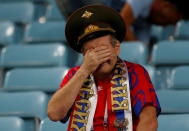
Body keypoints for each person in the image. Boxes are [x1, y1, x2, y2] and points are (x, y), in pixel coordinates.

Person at [47, 5, 161, 131]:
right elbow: (54, 114)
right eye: (92, 51)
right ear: (84, 55)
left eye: (103, 49)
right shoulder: (75, 75)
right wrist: (84, 70)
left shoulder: (135, 72)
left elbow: (149, 121)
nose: (98, 57)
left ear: (116, 47)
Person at [102, 0, 189, 44]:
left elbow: (142, 48)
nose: (164, 26)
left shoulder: (144, 24)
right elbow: (121, 23)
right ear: (166, 5)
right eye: (169, 20)